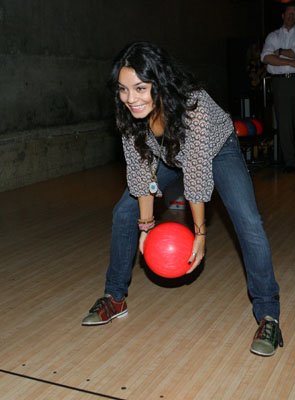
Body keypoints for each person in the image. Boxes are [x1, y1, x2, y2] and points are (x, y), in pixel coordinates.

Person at [82, 41, 283, 357]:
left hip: (218, 149)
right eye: (123, 89)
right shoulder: (129, 111)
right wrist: (146, 227)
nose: (130, 98)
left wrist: (200, 233)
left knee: (248, 221)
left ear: (158, 82)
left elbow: (197, 173)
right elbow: (140, 173)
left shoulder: (194, 106)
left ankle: (268, 314)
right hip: (167, 155)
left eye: (139, 88)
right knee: (124, 211)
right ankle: (115, 298)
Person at [261, 2, 295, 175]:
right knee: (283, 122)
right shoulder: (273, 36)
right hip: (279, 83)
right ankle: (290, 161)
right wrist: (290, 62)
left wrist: (278, 52)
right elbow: (265, 57)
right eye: (288, 13)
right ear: (283, 15)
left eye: (294, 14)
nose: (291, 16)